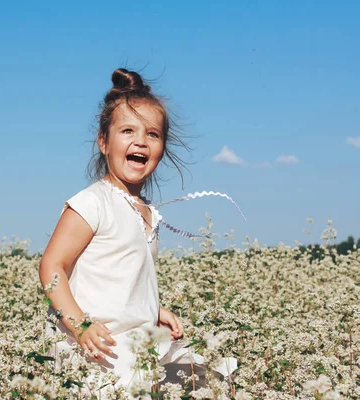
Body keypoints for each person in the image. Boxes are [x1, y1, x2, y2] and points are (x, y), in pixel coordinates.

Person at [39, 68, 236, 393]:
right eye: (127, 131)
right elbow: (51, 266)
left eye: (153, 134)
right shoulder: (92, 202)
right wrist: (79, 325)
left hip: (140, 343)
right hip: (101, 349)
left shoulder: (149, 212)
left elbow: (123, 278)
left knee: (214, 379)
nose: (140, 141)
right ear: (103, 142)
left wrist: (153, 309)